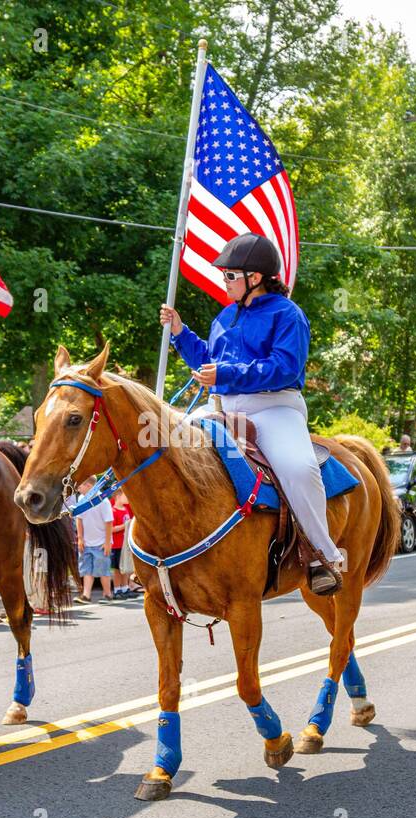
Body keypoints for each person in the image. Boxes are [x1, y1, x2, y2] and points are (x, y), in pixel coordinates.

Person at [160, 233, 343, 595]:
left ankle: (323, 555)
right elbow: (209, 363)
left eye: (230, 275)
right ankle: (160, 553)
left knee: (299, 469)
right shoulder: (224, 317)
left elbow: (286, 367)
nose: (223, 281)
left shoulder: (289, 314)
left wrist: (226, 374)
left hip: (274, 409)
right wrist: (180, 333)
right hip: (223, 408)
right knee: (165, 450)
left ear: (255, 278)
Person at [69, 476, 113, 603]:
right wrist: (80, 538)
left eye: (80, 486)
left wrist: (107, 542)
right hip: (87, 542)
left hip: (101, 543)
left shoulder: (102, 501)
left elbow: (109, 522)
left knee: (103, 569)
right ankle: (86, 595)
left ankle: (107, 594)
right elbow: (79, 519)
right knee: (86, 569)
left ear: (88, 486)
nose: (78, 488)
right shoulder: (82, 499)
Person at [109, 490, 136, 597]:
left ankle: (125, 588)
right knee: (117, 569)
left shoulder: (125, 509)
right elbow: (111, 529)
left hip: (125, 545)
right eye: (125, 495)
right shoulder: (113, 511)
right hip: (116, 545)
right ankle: (117, 590)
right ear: (118, 496)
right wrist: (124, 526)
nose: (127, 498)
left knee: (125, 568)